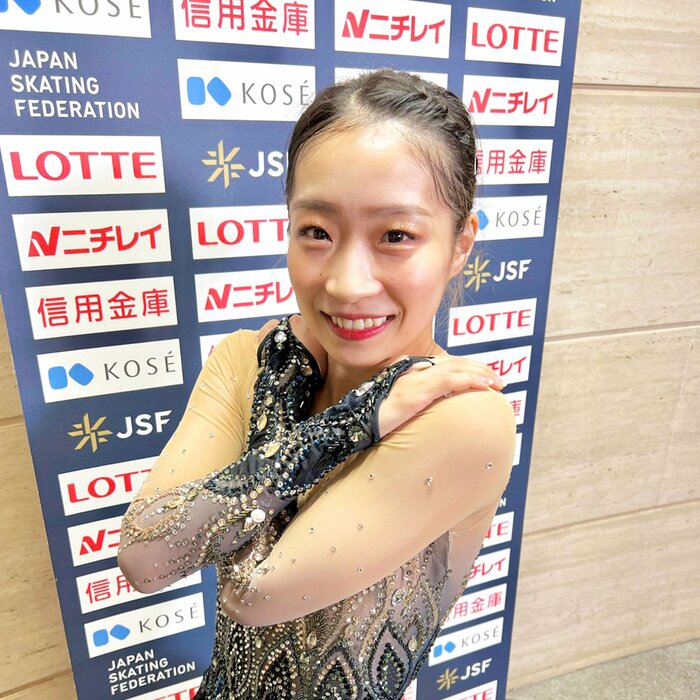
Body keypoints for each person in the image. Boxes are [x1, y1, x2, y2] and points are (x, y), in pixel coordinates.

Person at [118, 69, 516, 700]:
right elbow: (146, 559)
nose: (347, 283)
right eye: (317, 232)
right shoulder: (253, 363)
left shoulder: (463, 417)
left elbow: (252, 594)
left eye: (396, 236)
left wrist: (348, 423)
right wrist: (293, 397)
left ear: (459, 243)